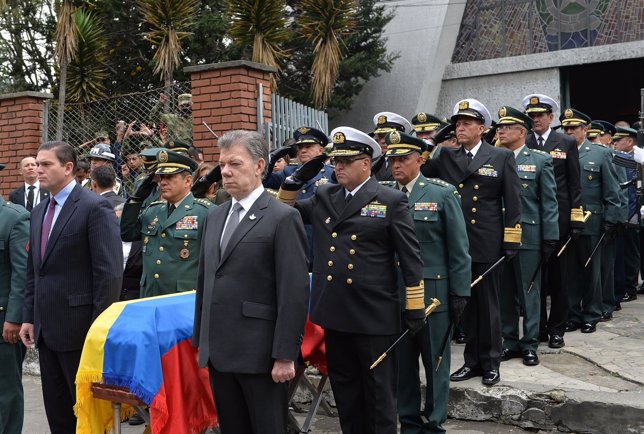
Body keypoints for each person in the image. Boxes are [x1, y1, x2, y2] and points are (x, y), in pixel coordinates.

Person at [277, 126, 425, 433]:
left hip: (373, 315)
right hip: (334, 312)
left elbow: (411, 258)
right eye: (335, 161)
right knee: (346, 391)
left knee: (379, 395)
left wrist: (414, 305)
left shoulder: (389, 199)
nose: (338, 167)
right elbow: (283, 213)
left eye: (346, 161)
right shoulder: (324, 195)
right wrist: (293, 182)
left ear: (366, 163)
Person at [193, 130, 309, 434]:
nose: (226, 172)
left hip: (260, 354)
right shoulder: (215, 216)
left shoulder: (282, 217)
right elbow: (206, 283)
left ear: (259, 166)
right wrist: (201, 341)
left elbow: (293, 292)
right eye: (222, 164)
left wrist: (285, 354)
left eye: (235, 163)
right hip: (219, 352)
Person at [19, 141, 122, 434]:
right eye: (37, 164)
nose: (38, 170)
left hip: (80, 331)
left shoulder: (94, 207)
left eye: (46, 164)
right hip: (46, 330)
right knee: (58, 413)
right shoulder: (39, 211)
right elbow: (34, 270)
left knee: (86, 415)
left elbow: (110, 274)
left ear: (68, 168)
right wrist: (29, 315)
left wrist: (97, 329)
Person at [422, 98, 522, 386]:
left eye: (467, 123)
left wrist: (512, 239)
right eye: (457, 123)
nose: (460, 127)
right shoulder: (445, 157)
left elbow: (513, 200)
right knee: (463, 305)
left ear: (482, 128)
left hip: (486, 240)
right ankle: (471, 362)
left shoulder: (500, 157)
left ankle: (490, 362)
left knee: (488, 305)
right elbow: (420, 170)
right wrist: (434, 142)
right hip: (454, 242)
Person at [381, 132, 471, 433]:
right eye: (392, 159)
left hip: (433, 293)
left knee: (435, 362)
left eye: (403, 159)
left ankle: (434, 424)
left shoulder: (440, 194)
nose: (396, 165)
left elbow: (458, 248)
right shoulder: (382, 195)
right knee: (402, 364)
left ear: (421, 159)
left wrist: (460, 291)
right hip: (394, 291)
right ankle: (408, 421)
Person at [495, 107, 559, 367]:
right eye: (500, 127)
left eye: (507, 127)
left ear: (522, 132)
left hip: (528, 234)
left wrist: (550, 237)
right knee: (505, 291)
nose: (500, 130)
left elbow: (549, 202)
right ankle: (509, 341)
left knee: (529, 291)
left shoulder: (540, 160)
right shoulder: (494, 158)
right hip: (497, 235)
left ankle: (530, 342)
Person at [522, 93, 583, 349]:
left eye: (540, 115)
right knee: (535, 278)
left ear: (550, 117)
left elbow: (574, 184)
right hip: (530, 220)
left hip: (558, 219)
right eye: (532, 115)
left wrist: (576, 219)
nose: (536, 119)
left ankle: (557, 328)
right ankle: (537, 329)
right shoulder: (522, 142)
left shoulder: (565, 142)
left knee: (558, 278)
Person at [560, 109, 620, 334]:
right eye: (566, 128)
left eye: (574, 128)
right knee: (570, 272)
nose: (569, 132)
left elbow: (611, 189)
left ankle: (592, 314)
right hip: (566, 222)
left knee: (592, 271)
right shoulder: (559, 153)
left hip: (591, 220)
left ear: (585, 130)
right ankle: (573, 314)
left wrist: (612, 219)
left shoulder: (599, 154)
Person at [121, 149, 212, 298]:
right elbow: (127, 233)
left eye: (169, 177)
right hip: (150, 294)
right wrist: (136, 199)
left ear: (188, 181)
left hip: (182, 299)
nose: (163, 182)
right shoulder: (153, 211)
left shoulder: (204, 212)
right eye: (162, 177)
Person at [0, 162, 30, 434]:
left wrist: (13, 318)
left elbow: (22, 273)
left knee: (6, 390)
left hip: (2, 320)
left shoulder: (14, 218)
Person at [612, 126, 640, 304]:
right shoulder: (622, 158)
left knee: (630, 252)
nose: (614, 144)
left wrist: (629, 214)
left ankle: (630, 287)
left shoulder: (632, 159)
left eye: (618, 140)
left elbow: (630, 188)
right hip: (626, 211)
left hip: (631, 212)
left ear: (629, 142)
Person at [371, 111, 412, 181]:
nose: (382, 141)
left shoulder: (410, 161)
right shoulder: (373, 161)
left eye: (387, 136)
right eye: (380, 136)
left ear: (399, 137)